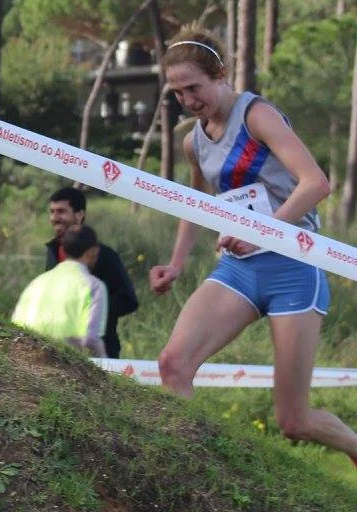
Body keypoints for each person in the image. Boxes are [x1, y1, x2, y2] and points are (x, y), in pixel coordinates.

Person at [148, 28, 357, 463]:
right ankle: (198, 470)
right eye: (178, 92)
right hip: (238, 269)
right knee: (173, 364)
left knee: (294, 422)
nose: (187, 100)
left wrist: (261, 232)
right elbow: (196, 204)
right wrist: (176, 263)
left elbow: (317, 183)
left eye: (194, 88)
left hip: (294, 268)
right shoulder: (193, 141)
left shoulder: (256, 115)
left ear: (220, 74)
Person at [44, 186, 138, 358]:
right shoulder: (52, 252)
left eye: (61, 211)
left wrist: (92, 312)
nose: (55, 218)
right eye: (52, 212)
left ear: (79, 215)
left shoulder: (105, 255)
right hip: (59, 352)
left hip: (100, 352)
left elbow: (129, 300)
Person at [13, 224, 108, 356]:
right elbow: (91, 340)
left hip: (24, 360)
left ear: (62, 251)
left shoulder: (36, 283)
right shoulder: (94, 286)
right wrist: (106, 364)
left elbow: (14, 329)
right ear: (93, 251)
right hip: (63, 363)